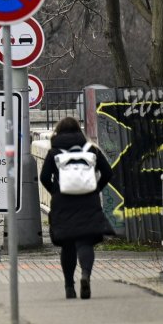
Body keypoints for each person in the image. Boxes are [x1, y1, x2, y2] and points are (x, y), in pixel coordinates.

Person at [40, 117, 114, 300]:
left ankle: (69, 287)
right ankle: (86, 275)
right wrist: (95, 189)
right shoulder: (91, 150)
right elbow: (108, 172)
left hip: (63, 203)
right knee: (85, 241)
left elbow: (43, 177)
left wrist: (56, 192)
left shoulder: (54, 152)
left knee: (67, 244)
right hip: (88, 201)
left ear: (58, 133)